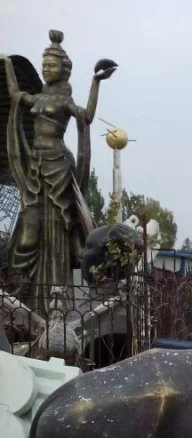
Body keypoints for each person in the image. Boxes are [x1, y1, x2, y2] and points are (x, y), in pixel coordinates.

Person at [0, 31, 116, 311]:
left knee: (60, 231)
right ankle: (22, 292)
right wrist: (6, 64)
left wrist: (96, 82)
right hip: (35, 167)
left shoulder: (64, 102)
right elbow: (14, 95)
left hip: (59, 167)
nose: (45, 69)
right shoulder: (36, 98)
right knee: (28, 235)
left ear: (62, 70)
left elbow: (86, 115)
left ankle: (56, 298)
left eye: (51, 65)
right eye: (44, 64)